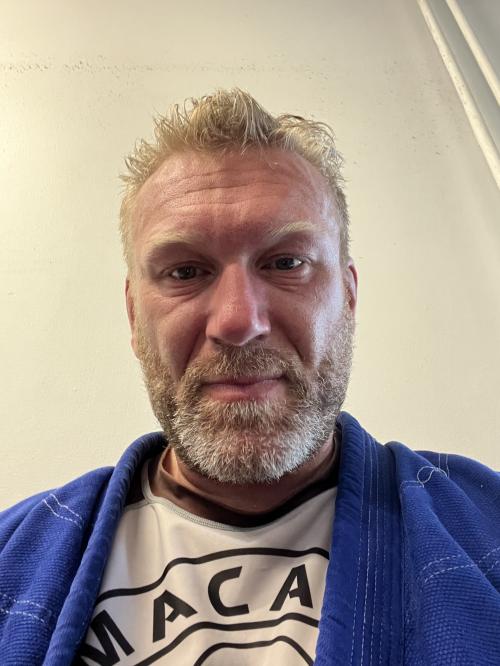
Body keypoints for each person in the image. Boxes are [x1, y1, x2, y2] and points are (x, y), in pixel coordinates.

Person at [1, 89, 499, 666]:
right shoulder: (12, 560)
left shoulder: (485, 532)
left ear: (348, 297)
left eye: (287, 263)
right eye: (185, 272)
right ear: (135, 316)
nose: (238, 321)